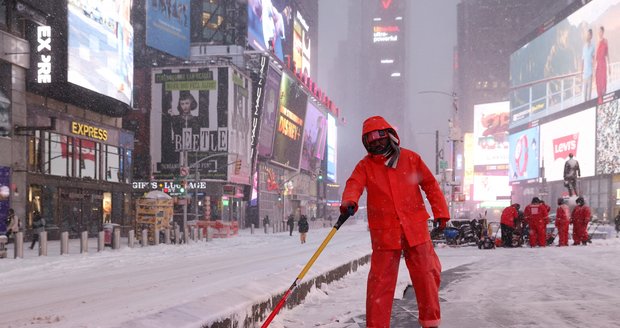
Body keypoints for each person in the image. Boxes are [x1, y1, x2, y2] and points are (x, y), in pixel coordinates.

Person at [340, 116, 449, 328]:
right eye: (369, 139)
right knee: (380, 284)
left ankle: (430, 321)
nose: (375, 142)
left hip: (415, 227)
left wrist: (441, 213)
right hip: (385, 233)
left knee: (427, 275)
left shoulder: (411, 159)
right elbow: (354, 183)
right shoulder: (365, 166)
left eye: (378, 137)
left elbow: (431, 185)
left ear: (389, 136)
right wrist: (349, 201)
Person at [595, 26, 610, 104]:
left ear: (603, 32)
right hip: (598, 65)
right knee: (598, 82)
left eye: (600, 31)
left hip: (603, 64)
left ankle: (604, 98)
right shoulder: (597, 42)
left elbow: (607, 54)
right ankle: (600, 99)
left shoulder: (605, 41)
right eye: (598, 31)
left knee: (603, 80)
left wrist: (609, 65)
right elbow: (596, 57)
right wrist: (594, 66)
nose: (599, 33)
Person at [581, 28, 595, 101]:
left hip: (590, 74)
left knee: (589, 97)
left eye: (589, 34)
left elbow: (594, 60)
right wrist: (581, 73)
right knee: (584, 97)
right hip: (584, 75)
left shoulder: (593, 47)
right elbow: (582, 61)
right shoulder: (584, 47)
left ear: (591, 36)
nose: (587, 36)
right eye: (587, 34)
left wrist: (593, 72)